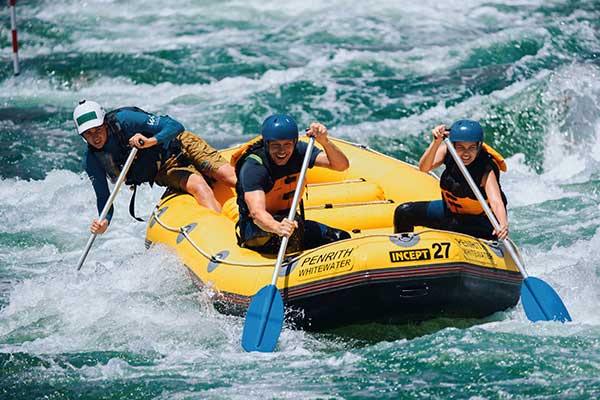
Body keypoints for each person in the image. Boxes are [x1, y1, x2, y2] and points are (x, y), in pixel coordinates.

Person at [73, 100, 236, 234]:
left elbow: (175, 126)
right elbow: (104, 198)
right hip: (164, 168)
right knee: (200, 187)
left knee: (228, 177)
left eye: (98, 130)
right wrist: (104, 221)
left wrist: (149, 141)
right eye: (88, 133)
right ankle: (224, 235)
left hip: (181, 143)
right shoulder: (92, 161)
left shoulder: (126, 120)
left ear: (106, 124)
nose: (95, 137)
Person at [232, 114, 351, 254]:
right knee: (292, 237)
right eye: (276, 145)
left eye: (287, 144)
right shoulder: (254, 167)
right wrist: (277, 227)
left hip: (291, 223)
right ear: (267, 144)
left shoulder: (300, 151)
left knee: (340, 238)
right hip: (258, 230)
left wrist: (324, 141)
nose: (282, 151)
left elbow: (341, 165)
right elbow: (257, 213)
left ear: (294, 142)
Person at [394, 119, 509, 240]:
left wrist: (503, 225)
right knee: (404, 212)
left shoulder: (486, 169)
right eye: (460, 147)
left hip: (480, 223)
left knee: (456, 227)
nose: (466, 153)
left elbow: (496, 201)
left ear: (479, 147)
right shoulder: (447, 151)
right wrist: (436, 142)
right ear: (453, 145)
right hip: (450, 214)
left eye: (471, 148)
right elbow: (424, 168)